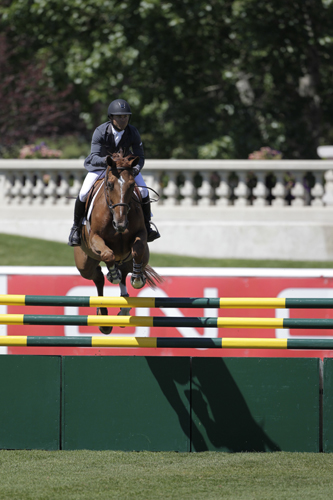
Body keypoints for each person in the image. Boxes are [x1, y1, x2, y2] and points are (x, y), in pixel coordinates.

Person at [67, 98, 160, 247]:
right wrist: (108, 161)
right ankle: (76, 228)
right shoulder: (100, 131)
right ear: (111, 118)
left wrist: (135, 169)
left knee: (143, 191)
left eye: (125, 117)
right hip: (102, 167)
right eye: (119, 117)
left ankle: (148, 226)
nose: (123, 120)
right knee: (84, 193)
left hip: (125, 169)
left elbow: (140, 156)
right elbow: (93, 156)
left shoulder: (133, 131)